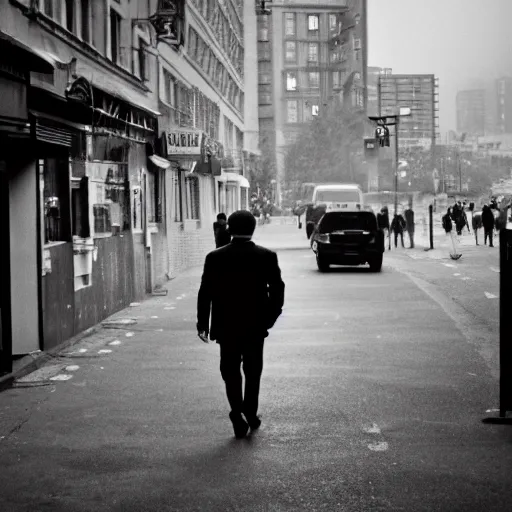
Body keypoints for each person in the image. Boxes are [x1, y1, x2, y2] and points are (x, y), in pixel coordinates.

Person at [197, 210, 285, 439]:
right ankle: (251, 414)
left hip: (226, 326)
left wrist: (202, 323)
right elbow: (278, 291)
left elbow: (205, 292)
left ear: (229, 229)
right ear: (253, 228)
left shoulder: (215, 257)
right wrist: (270, 318)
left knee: (230, 371)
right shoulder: (266, 256)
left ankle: (237, 414)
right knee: (253, 371)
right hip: (256, 325)